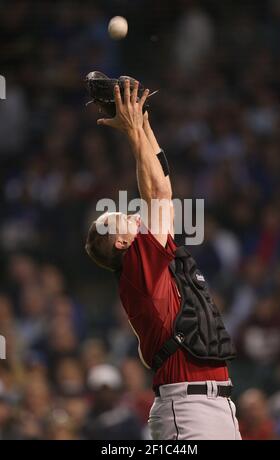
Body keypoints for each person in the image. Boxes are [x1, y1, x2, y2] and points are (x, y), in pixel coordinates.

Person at [85, 79, 241, 440]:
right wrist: (133, 129)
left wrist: (144, 124)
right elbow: (156, 192)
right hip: (188, 409)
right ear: (122, 242)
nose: (122, 211)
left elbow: (163, 186)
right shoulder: (138, 266)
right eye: (113, 218)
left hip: (213, 406)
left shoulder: (150, 263)